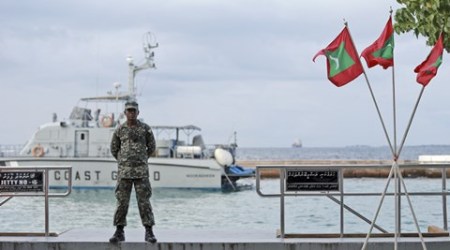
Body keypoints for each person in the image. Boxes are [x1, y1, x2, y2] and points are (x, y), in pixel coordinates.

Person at [109, 101, 157, 243]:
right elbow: (114, 148)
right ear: (125, 113)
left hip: (141, 172)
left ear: (138, 113)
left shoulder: (145, 129)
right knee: (122, 202)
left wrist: (141, 159)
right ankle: (119, 231)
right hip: (124, 173)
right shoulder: (120, 130)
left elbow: (152, 146)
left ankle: (149, 232)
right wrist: (123, 161)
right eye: (129, 111)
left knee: (144, 202)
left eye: (133, 111)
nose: (131, 113)